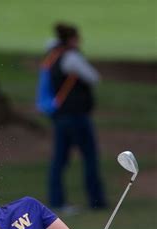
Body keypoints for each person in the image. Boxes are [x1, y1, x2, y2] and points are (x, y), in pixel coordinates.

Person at [45, 23, 107, 211]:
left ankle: (56, 200)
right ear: (72, 39)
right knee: (89, 157)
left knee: (59, 160)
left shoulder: (54, 54)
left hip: (61, 117)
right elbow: (93, 77)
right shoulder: (71, 57)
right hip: (76, 117)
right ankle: (96, 201)